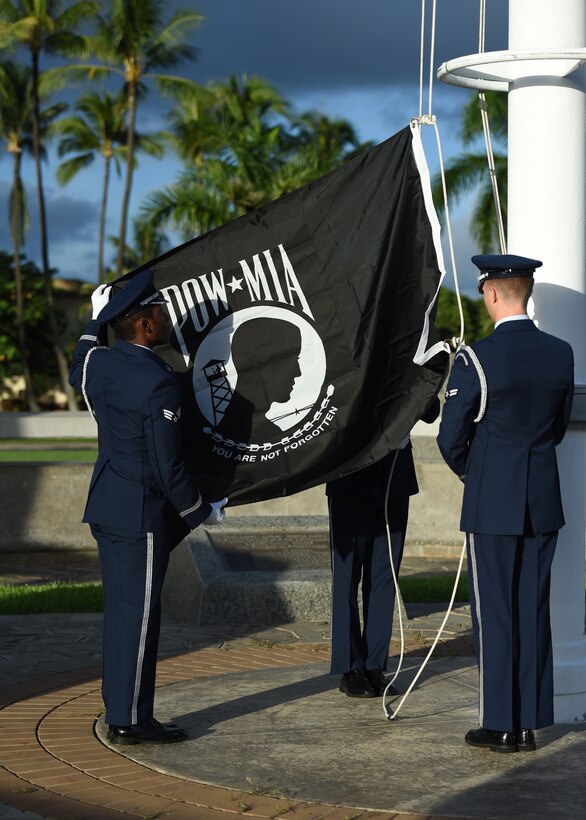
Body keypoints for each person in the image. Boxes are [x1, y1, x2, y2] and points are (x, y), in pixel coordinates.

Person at [69, 271, 227, 746]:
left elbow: (79, 361)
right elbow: (166, 463)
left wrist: (96, 321)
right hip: (141, 516)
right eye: (159, 312)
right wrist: (201, 509)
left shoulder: (101, 365)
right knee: (139, 619)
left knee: (121, 615)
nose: (166, 318)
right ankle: (130, 721)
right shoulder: (157, 383)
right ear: (143, 325)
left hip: (107, 508)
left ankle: (120, 705)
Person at [437, 253, 574, 753]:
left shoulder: (476, 358)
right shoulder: (561, 354)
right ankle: (530, 723)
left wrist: (477, 476)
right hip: (542, 498)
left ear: (492, 293)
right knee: (532, 609)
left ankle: (500, 724)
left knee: (495, 613)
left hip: (492, 502)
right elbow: (556, 429)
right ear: (526, 292)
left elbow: (450, 439)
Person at [327, 397, 440, 698]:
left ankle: (375, 664)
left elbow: (430, 411)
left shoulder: (409, 355)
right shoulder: (350, 352)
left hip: (394, 476)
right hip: (352, 473)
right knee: (347, 577)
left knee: (384, 575)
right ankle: (350, 668)